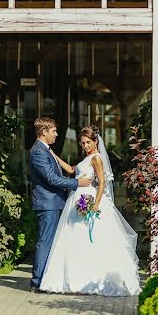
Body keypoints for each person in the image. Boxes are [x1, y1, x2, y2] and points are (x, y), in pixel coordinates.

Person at [40, 125, 141, 296]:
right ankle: (74, 277)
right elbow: (72, 170)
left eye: (88, 143)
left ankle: (93, 277)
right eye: (83, 143)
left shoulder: (96, 158)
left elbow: (102, 182)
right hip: (76, 199)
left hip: (89, 197)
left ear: (95, 142)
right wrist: (54, 156)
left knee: (92, 238)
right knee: (73, 236)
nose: (85, 146)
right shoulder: (85, 158)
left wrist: (96, 203)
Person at [29, 117, 92, 293]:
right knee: (45, 242)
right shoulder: (38, 152)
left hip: (54, 202)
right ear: (44, 132)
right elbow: (51, 178)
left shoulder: (46, 150)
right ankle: (37, 281)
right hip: (47, 204)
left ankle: (45, 279)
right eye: (54, 131)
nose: (57, 134)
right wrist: (77, 183)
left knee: (52, 242)